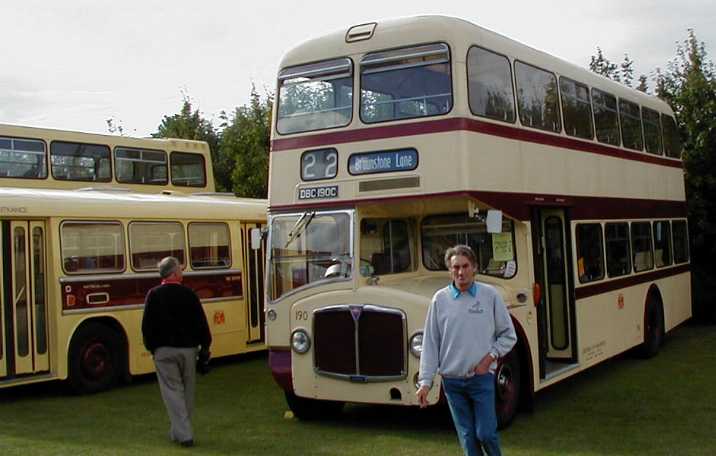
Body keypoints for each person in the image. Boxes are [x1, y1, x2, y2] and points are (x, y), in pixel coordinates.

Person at [416, 245, 517, 456]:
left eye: (465, 266)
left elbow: (509, 335)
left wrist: (489, 359)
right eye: (455, 268)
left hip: (481, 379)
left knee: (486, 434)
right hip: (452, 382)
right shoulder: (439, 300)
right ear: (449, 270)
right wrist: (425, 382)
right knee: (468, 440)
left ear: (475, 268)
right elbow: (431, 344)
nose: (460, 272)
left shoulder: (490, 296)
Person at [142, 256, 212, 448]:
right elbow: (201, 323)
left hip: (163, 351)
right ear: (174, 273)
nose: (182, 272)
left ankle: (180, 432)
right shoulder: (190, 294)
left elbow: (147, 326)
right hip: (188, 350)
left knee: (172, 392)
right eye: (180, 269)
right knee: (188, 391)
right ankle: (183, 433)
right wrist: (205, 347)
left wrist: (152, 347)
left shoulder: (153, 295)